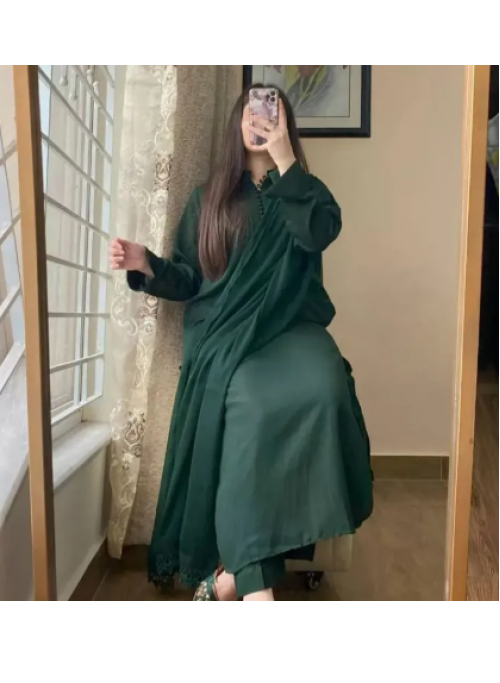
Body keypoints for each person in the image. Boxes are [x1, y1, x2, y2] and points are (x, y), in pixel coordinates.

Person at [109, 84, 373, 602]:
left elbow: (321, 231)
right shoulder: (208, 199)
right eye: (253, 109)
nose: (261, 117)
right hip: (228, 337)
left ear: (285, 124)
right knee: (252, 407)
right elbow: (190, 278)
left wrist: (285, 160)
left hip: (291, 328)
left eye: (272, 110)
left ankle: (233, 577)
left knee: (326, 387)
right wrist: (147, 265)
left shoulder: (304, 191)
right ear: (237, 122)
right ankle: (251, 584)